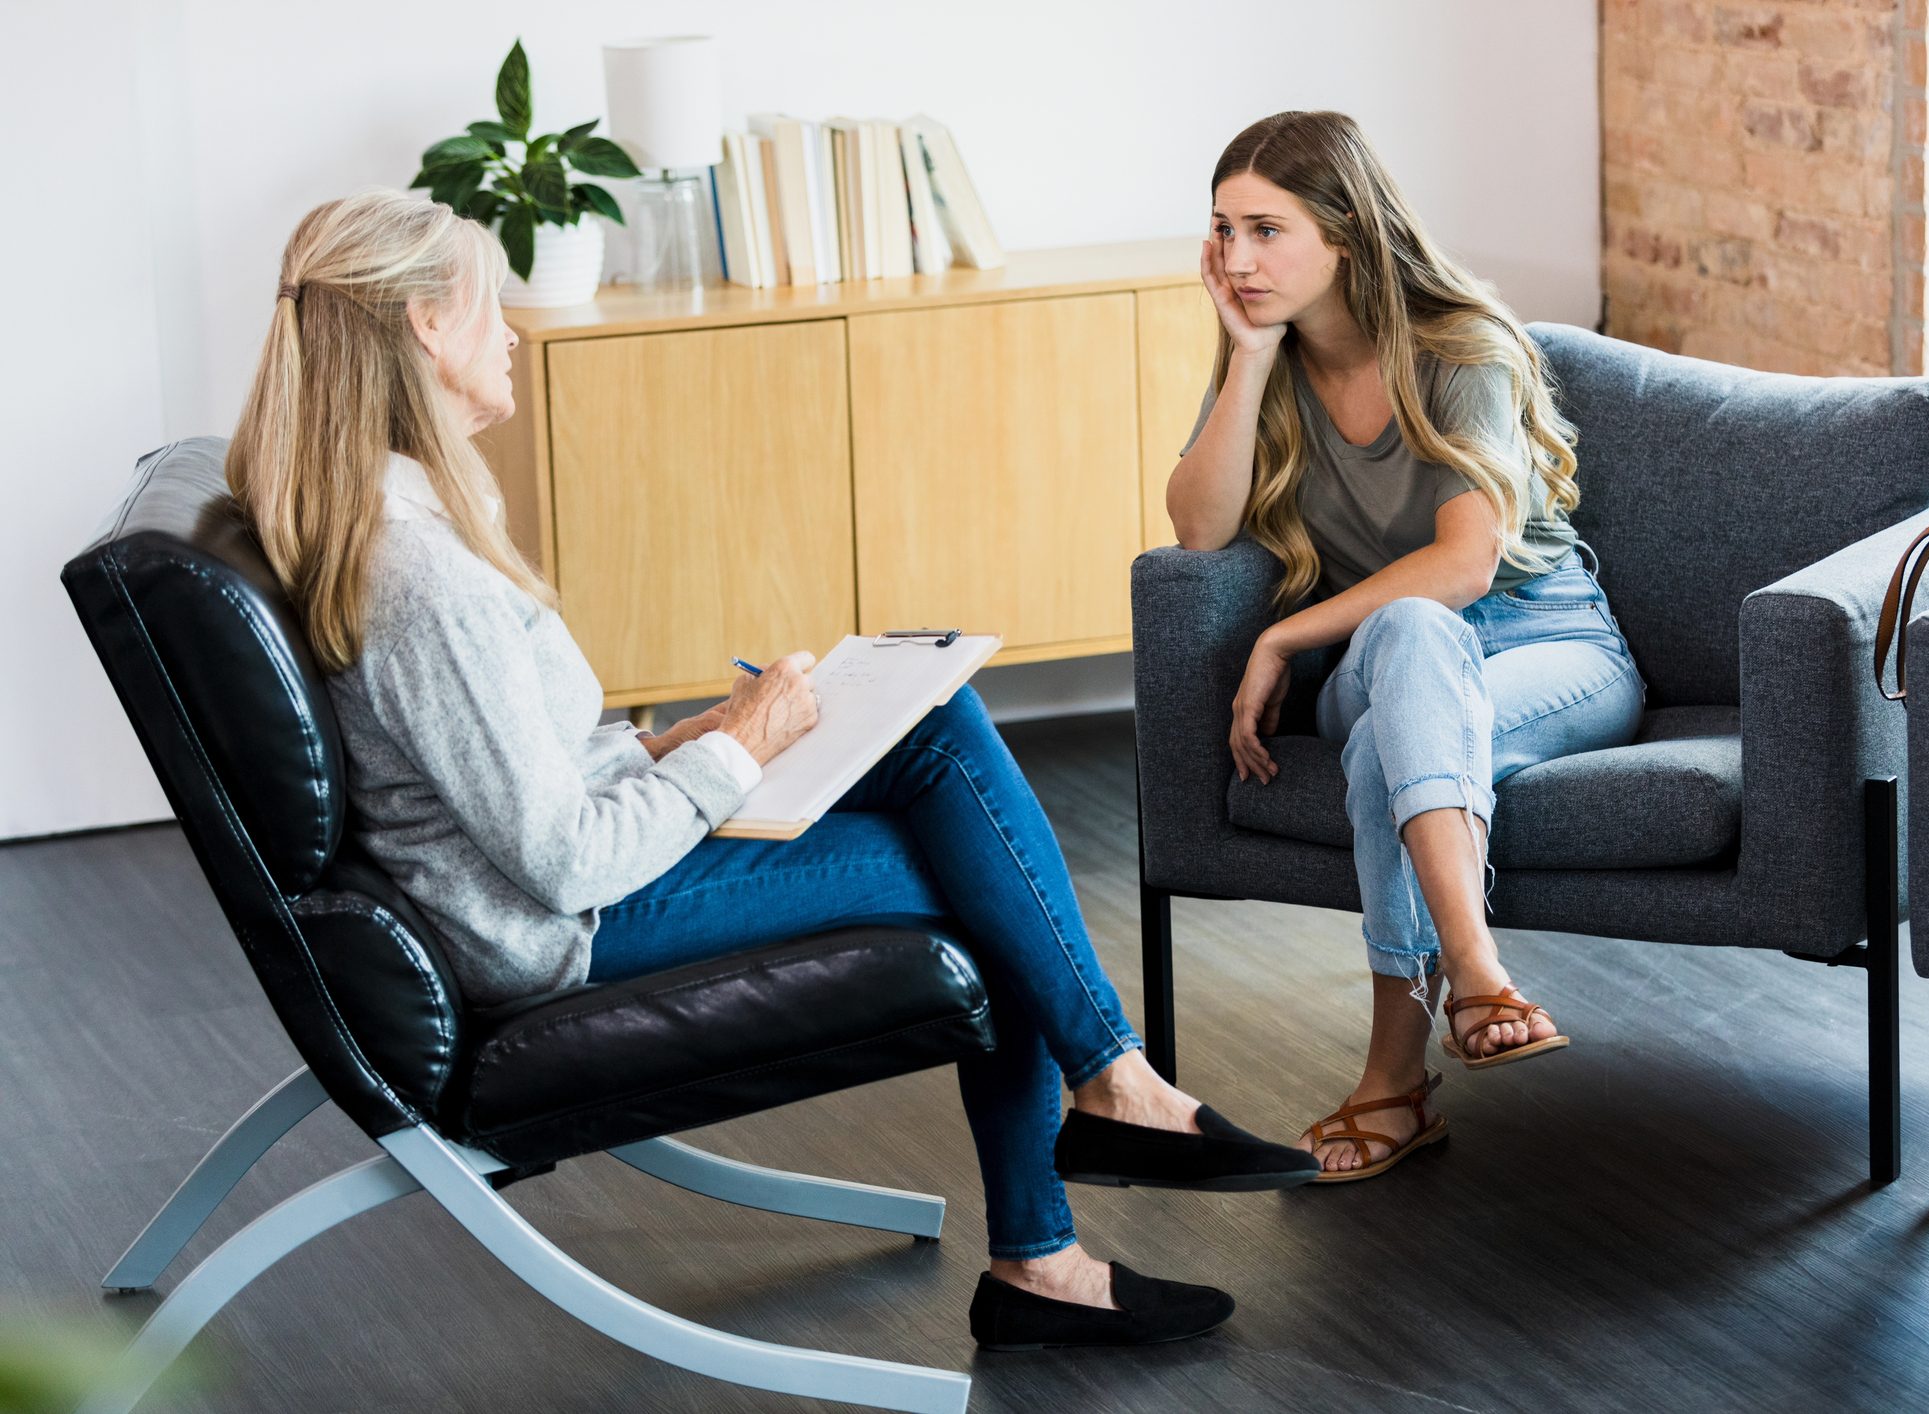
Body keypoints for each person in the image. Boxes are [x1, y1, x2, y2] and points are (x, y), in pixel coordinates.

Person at [226, 189, 1317, 1349]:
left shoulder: (393, 519)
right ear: (425, 330)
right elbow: (557, 859)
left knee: (936, 734)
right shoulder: (421, 576)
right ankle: (1078, 1169)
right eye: (491, 307)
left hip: (559, 877)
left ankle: (1096, 1128)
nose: (510, 331)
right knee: (978, 879)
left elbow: (507, 772)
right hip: (565, 924)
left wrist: (689, 736)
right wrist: (740, 751)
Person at [1165, 112, 1646, 1183]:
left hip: (1549, 647)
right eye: (1221, 231)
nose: (1236, 260)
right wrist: (1246, 362)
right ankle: (1478, 976)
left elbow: (1469, 565)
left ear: (1344, 235)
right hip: (1391, 653)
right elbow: (1199, 530)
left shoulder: (1459, 345)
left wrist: (1285, 633)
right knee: (1407, 638)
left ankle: (1397, 1078)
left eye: (1265, 231)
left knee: (1399, 708)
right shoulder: (1271, 363)